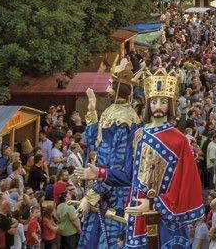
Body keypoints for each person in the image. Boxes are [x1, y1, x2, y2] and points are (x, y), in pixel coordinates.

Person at [124, 69, 204, 249]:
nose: (157, 106)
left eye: (162, 101)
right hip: (137, 206)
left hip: (165, 213)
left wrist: (155, 204)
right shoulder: (139, 134)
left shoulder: (179, 139)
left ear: (170, 104)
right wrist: (130, 200)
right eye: (153, 101)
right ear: (148, 105)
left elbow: (185, 181)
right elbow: (135, 177)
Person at [74, 63, 142, 249]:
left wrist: (93, 193)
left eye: (110, 85)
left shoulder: (125, 120)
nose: (107, 89)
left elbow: (117, 166)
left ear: (119, 88)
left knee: (107, 241)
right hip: (104, 184)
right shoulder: (112, 112)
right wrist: (92, 109)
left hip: (114, 192)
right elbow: (90, 138)